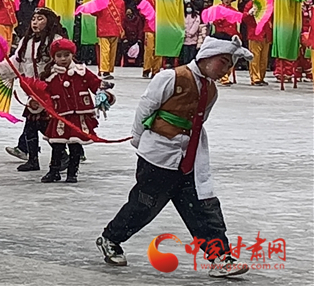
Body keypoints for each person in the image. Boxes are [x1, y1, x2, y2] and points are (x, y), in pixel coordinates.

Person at [96, 33, 253, 279]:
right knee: (144, 205)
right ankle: (111, 238)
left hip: (189, 159)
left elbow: (200, 121)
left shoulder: (211, 90)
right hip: (158, 155)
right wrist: (140, 139)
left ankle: (221, 257)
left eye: (230, 65)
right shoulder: (171, 77)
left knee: (204, 208)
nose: (226, 69)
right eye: (223, 62)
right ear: (208, 56)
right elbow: (146, 108)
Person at [24, 38, 114, 183]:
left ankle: (72, 172)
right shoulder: (49, 76)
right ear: (53, 57)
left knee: (75, 146)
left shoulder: (82, 71)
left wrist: (104, 95)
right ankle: (54, 171)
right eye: (59, 56)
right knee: (57, 145)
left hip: (79, 117)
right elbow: (42, 94)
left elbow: (96, 84)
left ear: (72, 55)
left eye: (66, 55)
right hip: (60, 117)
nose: (63, 59)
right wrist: (34, 102)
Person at [0, 8, 63, 170]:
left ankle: (62, 155)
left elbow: (63, 63)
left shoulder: (56, 42)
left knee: (46, 126)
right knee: (32, 125)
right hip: (33, 92)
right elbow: (16, 62)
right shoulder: (26, 41)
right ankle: (34, 160)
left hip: (52, 91)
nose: (35, 22)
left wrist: (49, 76)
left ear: (49, 22)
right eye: (34, 19)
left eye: (40, 19)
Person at [92, 0, 125, 80]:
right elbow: (122, 17)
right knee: (111, 52)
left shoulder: (101, 0)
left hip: (104, 29)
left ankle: (105, 70)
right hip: (113, 29)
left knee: (105, 51)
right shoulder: (120, 2)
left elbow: (94, 12)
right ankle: (107, 70)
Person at [211, 0, 241, 86]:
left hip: (232, 36)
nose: (227, 0)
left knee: (231, 57)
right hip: (222, 35)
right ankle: (223, 77)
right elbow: (214, 22)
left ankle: (227, 74)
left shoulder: (234, 10)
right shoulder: (218, 9)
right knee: (222, 56)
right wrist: (222, 18)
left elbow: (237, 22)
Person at [242, 0, 272, 86]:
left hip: (266, 34)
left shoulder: (267, 4)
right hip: (255, 34)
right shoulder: (251, 4)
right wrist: (249, 13)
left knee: (264, 59)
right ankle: (255, 78)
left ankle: (261, 77)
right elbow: (244, 17)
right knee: (255, 58)